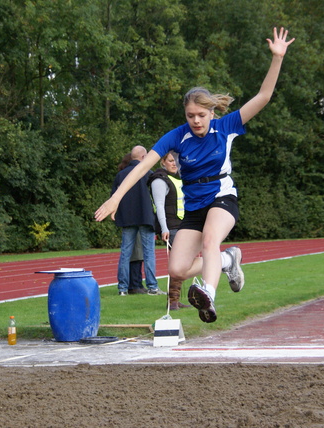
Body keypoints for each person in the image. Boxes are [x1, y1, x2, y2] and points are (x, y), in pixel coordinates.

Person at [96, 27, 295, 322]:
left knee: (210, 241)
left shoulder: (225, 126)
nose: (196, 121)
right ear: (185, 116)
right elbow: (142, 166)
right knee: (176, 270)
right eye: (191, 116)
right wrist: (116, 198)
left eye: (201, 115)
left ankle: (209, 296)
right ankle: (229, 259)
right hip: (194, 207)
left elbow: (264, 96)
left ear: (211, 113)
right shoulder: (177, 136)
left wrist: (277, 58)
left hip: (221, 197)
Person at [112, 145, 161, 296]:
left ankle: (122, 288)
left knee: (125, 253)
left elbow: (114, 197)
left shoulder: (120, 175)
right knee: (148, 253)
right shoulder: (148, 173)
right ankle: (152, 286)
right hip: (145, 217)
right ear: (143, 157)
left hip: (127, 218)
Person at [149, 151, 190, 310]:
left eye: (176, 162)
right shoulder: (159, 180)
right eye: (171, 161)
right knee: (179, 263)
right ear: (163, 162)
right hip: (172, 226)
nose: (174, 164)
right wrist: (164, 228)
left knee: (182, 263)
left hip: (183, 224)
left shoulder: (178, 178)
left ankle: (174, 299)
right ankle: (172, 301)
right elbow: (158, 205)